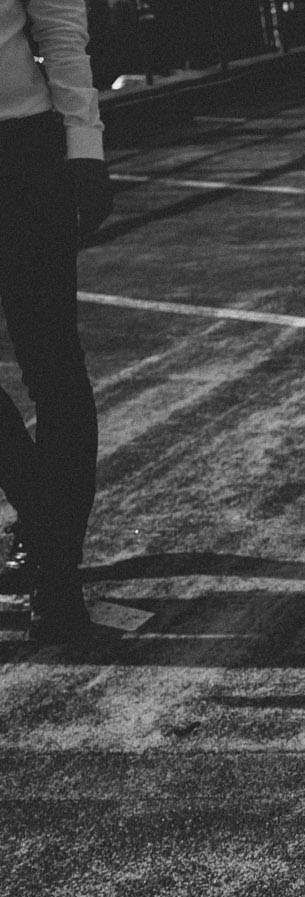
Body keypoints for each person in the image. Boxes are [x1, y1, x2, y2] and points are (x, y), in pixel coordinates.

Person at [0, 0, 110, 641]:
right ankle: (51, 545)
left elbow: (62, 32)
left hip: (19, 155)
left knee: (53, 367)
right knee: (55, 371)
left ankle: (56, 572)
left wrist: (84, 150)